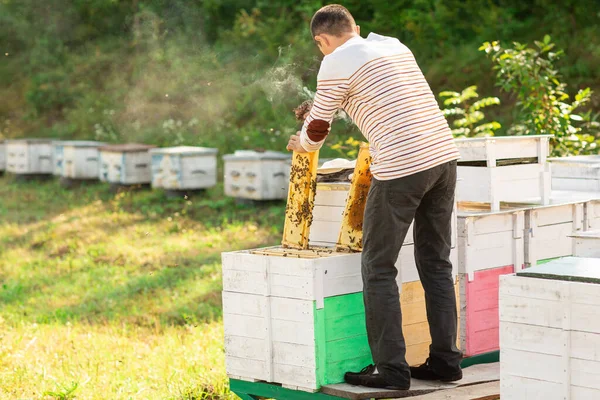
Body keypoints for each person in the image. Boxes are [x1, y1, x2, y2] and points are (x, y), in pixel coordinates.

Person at [285, 4, 463, 391]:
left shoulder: (333, 61)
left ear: (321, 41)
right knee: (436, 262)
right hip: (444, 158)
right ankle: (447, 363)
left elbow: (317, 131)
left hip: (401, 167)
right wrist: (321, 108)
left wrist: (301, 142)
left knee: (378, 267)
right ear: (357, 28)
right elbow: (378, 104)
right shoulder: (393, 46)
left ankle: (392, 372)